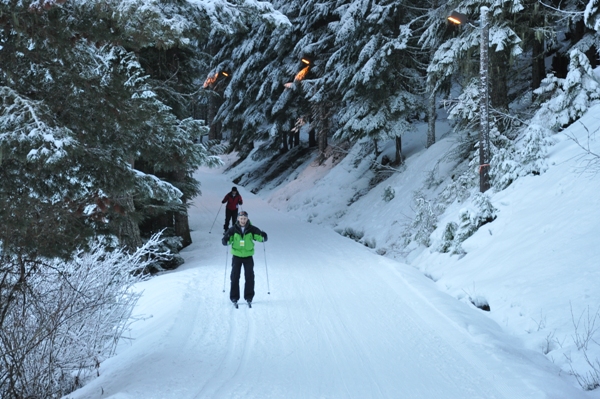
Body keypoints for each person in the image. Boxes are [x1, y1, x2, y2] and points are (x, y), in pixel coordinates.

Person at [222, 210, 267, 306]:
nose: (243, 220)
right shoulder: (233, 229)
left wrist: (263, 236)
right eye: (241, 218)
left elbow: (259, 237)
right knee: (234, 276)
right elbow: (228, 238)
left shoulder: (252, 229)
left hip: (248, 256)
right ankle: (234, 297)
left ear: (247, 219)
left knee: (249, 277)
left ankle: (249, 296)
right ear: (238, 219)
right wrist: (225, 240)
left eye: (245, 219)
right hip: (236, 256)